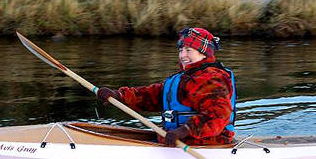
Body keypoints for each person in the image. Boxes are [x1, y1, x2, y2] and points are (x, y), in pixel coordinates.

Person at [97, 27, 237, 146]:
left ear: (203, 53)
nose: (182, 55)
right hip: (177, 139)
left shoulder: (210, 78)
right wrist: (119, 96)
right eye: (181, 50)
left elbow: (218, 114)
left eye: (189, 50)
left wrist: (185, 130)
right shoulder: (186, 76)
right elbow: (154, 96)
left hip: (207, 143)